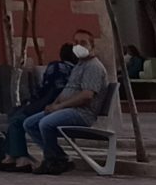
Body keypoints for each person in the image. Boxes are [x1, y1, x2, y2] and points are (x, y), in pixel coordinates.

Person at [22, 40, 111, 173]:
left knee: (45, 124)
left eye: (83, 42)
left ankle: (51, 161)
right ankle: (59, 157)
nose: (78, 46)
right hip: (67, 109)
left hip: (82, 113)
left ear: (92, 46)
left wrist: (59, 107)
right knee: (29, 123)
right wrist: (53, 105)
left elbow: (86, 96)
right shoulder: (79, 66)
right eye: (76, 42)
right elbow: (67, 90)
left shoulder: (93, 67)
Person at [0, 51, 79, 172]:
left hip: (55, 109)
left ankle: (21, 157)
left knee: (20, 120)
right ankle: (14, 156)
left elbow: (48, 92)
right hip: (54, 107)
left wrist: (38, 104)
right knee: (17, 118)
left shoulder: (58, 68)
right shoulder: (73, 70)